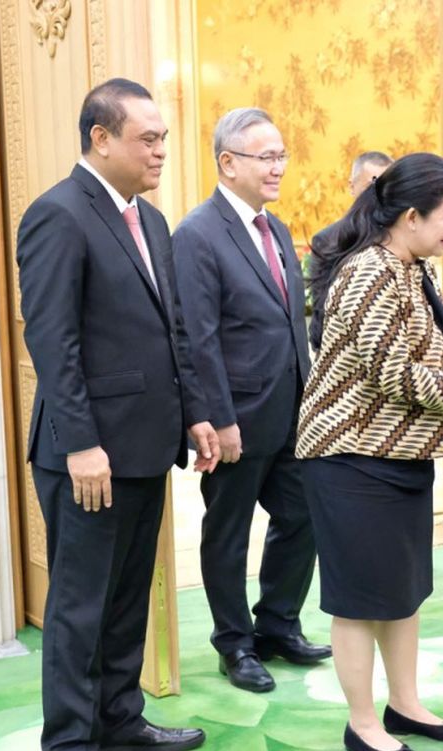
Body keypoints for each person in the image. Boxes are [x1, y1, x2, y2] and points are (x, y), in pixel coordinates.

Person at [17, 78, 219, 751]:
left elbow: (175, 333)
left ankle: (119, 715)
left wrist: (195, 410)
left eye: (163, 138)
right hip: (87, 456)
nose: (161, 150)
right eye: (148, 138)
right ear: (101, 138)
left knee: (131, 592)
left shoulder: (152, 222)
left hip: (143, 445)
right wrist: (79, 443)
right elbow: (53, 339)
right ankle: (69, 743)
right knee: (80, 603)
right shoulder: (57, 216)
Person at [296, 153, 443, 751]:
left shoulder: (410, 267)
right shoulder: (370, 272)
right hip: (349, 459)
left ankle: (405, 705)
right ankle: (362, 723)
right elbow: (391, 374)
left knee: (402, 592)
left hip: (394, 454)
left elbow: (433, 360)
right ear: (412, 215)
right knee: (359, 599)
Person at [172, 107, 331, 694]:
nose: (278, 167)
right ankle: (233, 644)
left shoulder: (276, 229)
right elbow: (196, 335)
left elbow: (291, 322)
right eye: (266, 156)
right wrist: (217, 417)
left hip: (293, 411)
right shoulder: (196, 234)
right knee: (229, 531)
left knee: (303, 515)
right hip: (236, 418)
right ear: (228, 162)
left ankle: (278, 626)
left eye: (282, 155)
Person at [308, 151, 394, 350]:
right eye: (371, 187)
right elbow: (321, 313)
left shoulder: (402, 237)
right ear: (351, 187)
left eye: (386, 188)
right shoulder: (328, 240)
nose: (377, 196)